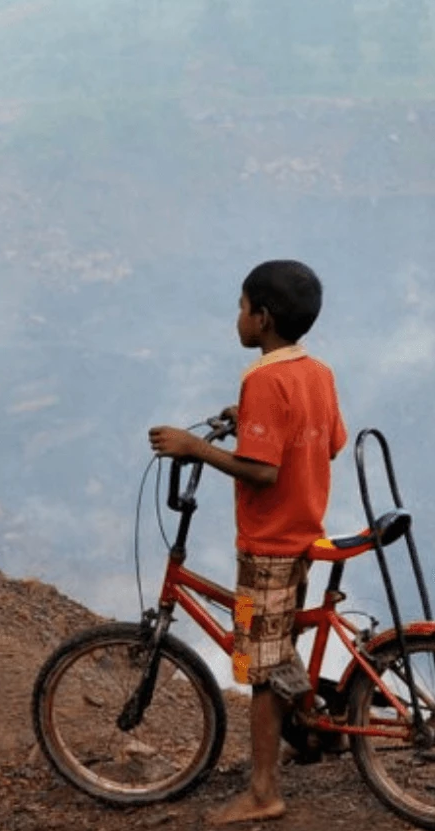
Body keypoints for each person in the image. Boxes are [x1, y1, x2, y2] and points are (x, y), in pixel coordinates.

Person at [147, 259, 347, 826]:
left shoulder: (263, 378)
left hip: (269, 543)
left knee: (261, 669)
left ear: (262, 318)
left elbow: (261, 472)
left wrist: (194, 447)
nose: (236, 317)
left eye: (241, 307)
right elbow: (325, 443)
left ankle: (264, 792)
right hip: (306, 529)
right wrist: (249, 423)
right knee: (280, 647)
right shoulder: (317, 371)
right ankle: (314, 734)